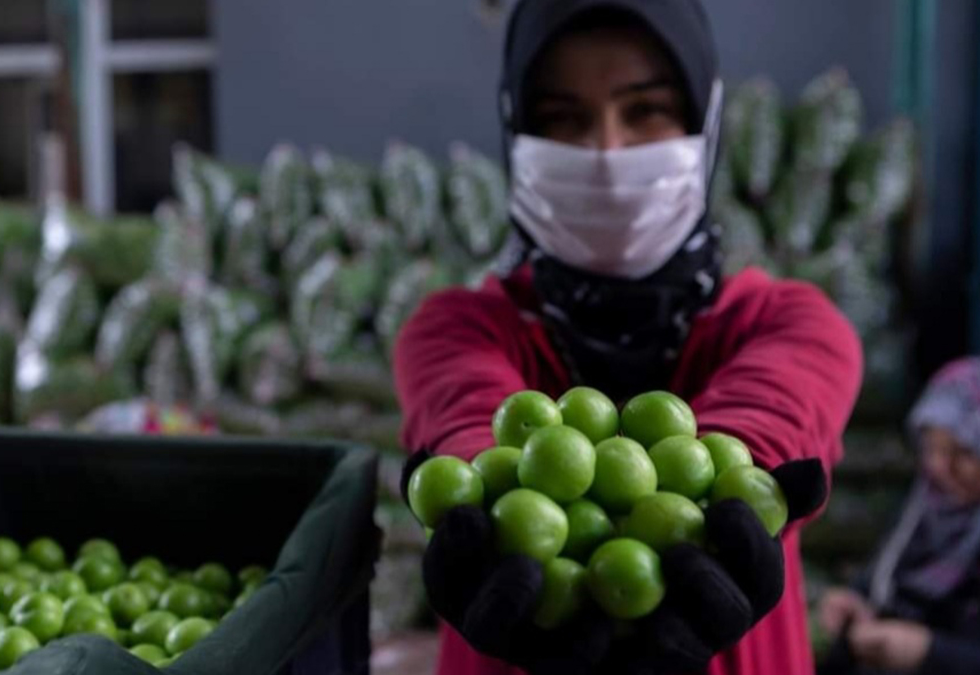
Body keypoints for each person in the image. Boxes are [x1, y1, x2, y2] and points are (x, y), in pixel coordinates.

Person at [394, 1, 864, 674]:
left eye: (645, 110)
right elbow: (468, 416)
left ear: (704, 122)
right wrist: (482, 496)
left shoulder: (792, 321)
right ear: (515, 133)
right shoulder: (454, 326)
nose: (607, 152)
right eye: (562, 117)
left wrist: (737, 486)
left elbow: (772, 418)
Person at [817, 357, 980, 675]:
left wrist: (929, 650)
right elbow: (880, 581)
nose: (935, 467)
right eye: (930, 447)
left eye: (960, 452)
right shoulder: (926, 506)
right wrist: (855, 603)